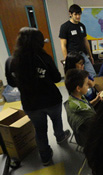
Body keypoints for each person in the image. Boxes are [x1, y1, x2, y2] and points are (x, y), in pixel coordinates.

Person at [8, 27, 71, 166]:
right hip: (51, 100)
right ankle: (60, 137)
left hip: (31, 104)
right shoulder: (44, 58)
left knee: (40, 129)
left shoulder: (12, 61)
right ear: (38, 42)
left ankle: (45, 156)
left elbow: (11, 82)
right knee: (57, 120)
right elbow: (56, 78)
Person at [64, 69, 101, 147]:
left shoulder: (73, 99)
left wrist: (97, 99)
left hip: (82, 133)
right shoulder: (87, 117)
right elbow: (98, 128)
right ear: (78, 88)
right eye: (87, 84)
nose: (89, 85)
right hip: (90, 139)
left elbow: (87, 105)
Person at [59, 4, 96, 78]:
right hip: (72, 56)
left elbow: (85, 41)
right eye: (75, 14)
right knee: (77, 77)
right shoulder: (65, 27)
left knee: (92, 74)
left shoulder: (82, 26)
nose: (78, 16)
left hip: (82, 54)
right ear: (70, 14)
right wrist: (67, 60)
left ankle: (90, 89)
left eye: (79, 14)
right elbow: (63, 45)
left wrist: (90, 56)